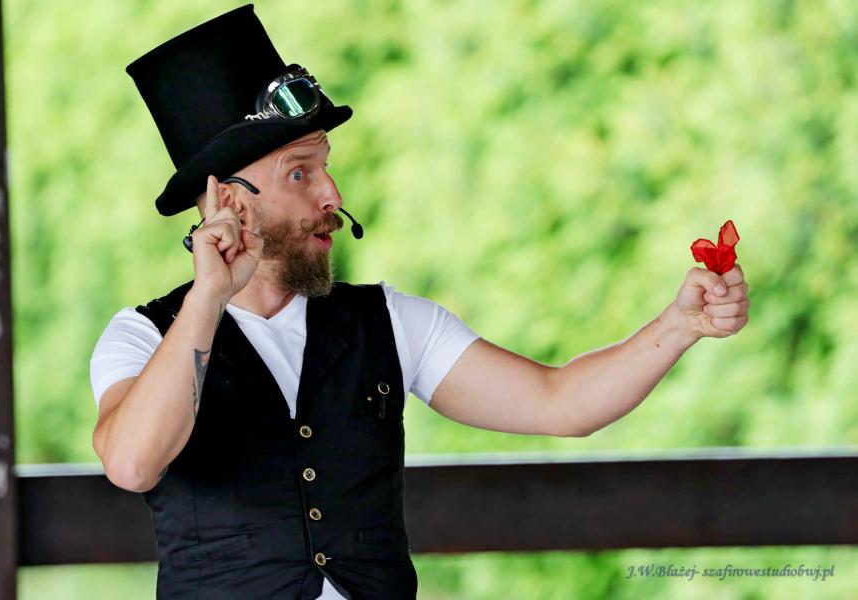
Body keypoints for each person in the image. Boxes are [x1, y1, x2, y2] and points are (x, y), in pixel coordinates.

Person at [89, 6, 751, 600]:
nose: (332, 194)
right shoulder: (141, 337)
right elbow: (133, 464)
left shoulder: (391, 322)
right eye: (300, 172)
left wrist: (679, 324)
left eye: (325, 166)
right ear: (231, 201)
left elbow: (562, 403)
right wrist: (210, 296)